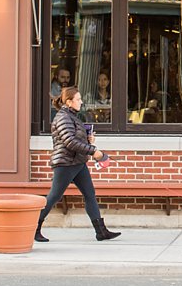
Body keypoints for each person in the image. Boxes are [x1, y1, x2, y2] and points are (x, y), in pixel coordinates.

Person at [35, 86, 121, 243]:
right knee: (54, 196)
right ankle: (33, 227)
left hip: (78, 162)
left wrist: (88, 141)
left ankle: (101, 232)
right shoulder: (63, 118)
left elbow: (74, 140)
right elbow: (69, 142)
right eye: (78, 99)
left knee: (90, 194)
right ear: (69, 102)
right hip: (66, 163)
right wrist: (93, 151)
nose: (81, 102)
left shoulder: (72, 116)